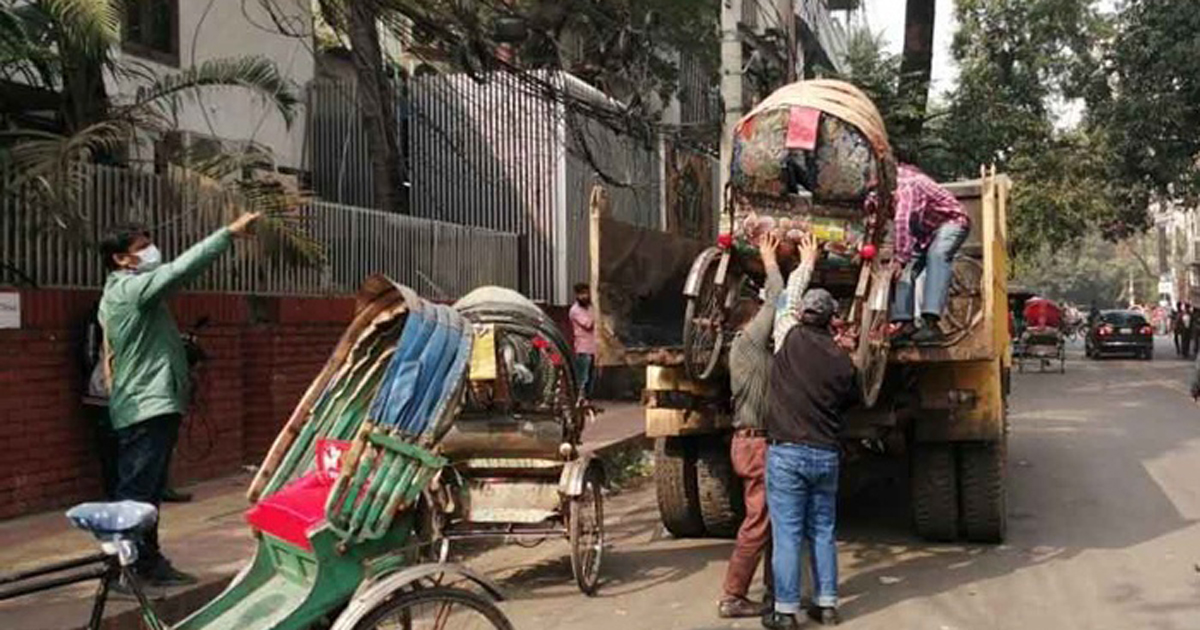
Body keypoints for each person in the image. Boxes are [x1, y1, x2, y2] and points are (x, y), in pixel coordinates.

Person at [98, 212, 260, 587]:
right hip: (145, 405)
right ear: (121, 259)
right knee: (138, 492)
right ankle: (128, 569)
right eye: (141, 247)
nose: (151, 251)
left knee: (147, 492)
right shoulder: (128, 289)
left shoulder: (128, 292)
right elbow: (177, 272)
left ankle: (146, 562)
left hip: (150, 403)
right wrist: (227, 233)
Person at [763, 237, 859, 629]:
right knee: (823, 530)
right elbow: (852, 398)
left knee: (787, 534)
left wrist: (806, 261)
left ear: (804, 314)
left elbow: (786, 296)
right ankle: (828, 604)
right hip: (825, 454)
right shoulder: (842, 362)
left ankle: (786, 611)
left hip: (787, 453)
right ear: (832, 319)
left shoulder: (788, 334)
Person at [718, 233, 785, 619]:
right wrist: (768, 259)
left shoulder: (745, 350)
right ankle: (733, 595)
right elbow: (775, 297)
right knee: (759, 521)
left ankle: (775, 592)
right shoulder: (749, 342)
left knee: (771, 520)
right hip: (757, 445)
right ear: (750, 320)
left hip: (755, 443)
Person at [889, 163, 972, 344]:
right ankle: (905, 323)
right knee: (904, 269)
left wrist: (899, 258)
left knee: (937, 255)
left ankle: (931, 323)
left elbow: (903, 223)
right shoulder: (878, 186)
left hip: (952, 222)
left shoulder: (906, 184)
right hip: (926, 232)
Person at [569, 282, 596, 400]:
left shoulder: (591, 307)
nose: (585, 296)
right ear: (577, 295)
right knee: (583, 377)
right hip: (583, 348)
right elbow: (588, 324)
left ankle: (587, 399)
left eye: (586, 293)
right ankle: (580, 399)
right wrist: (597, 315)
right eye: (582, 294)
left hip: (593, 347)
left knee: (591, 376)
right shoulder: (575, 310)